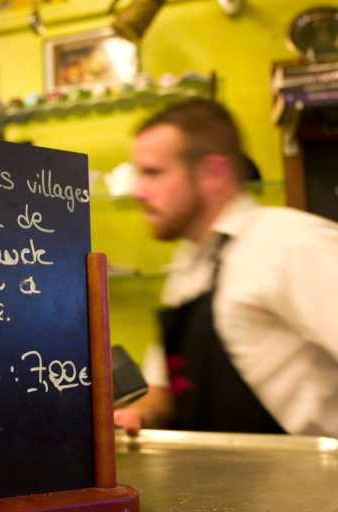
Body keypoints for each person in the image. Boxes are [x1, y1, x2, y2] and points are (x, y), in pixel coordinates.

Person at [114, 99, 338, 438]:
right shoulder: (187, 265)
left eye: (153, 173)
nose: (137, 192)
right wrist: (139, 414)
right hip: (218, 484)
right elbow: (166, 391)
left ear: (212, 173)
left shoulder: (291, 244)